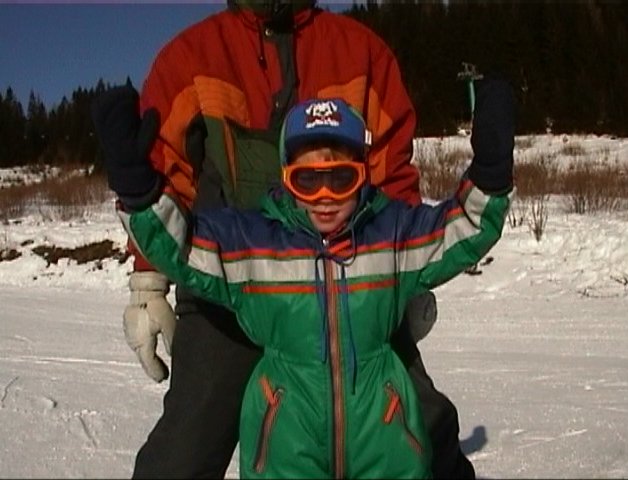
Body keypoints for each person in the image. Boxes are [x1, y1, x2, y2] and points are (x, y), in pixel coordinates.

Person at [91, 1, 476, 478]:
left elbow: (391, 173)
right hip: (228, 285)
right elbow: (164, 174)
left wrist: (407, 275)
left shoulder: (359, 50)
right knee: (184, 452)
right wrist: (147, 281)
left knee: (426, 430)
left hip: (353, 280)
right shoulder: (192, 54)